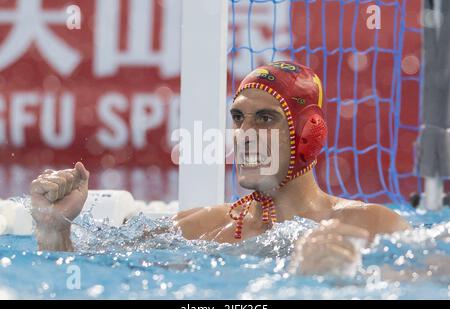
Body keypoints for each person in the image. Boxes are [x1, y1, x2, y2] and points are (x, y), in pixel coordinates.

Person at [30, 61, 410, 275]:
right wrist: (53, 230)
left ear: (309, 134)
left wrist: (349, 283)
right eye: (238, 118)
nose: (244, 134)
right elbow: (84, 276)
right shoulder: (199, 228)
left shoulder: (371, 225)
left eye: (265, 119)